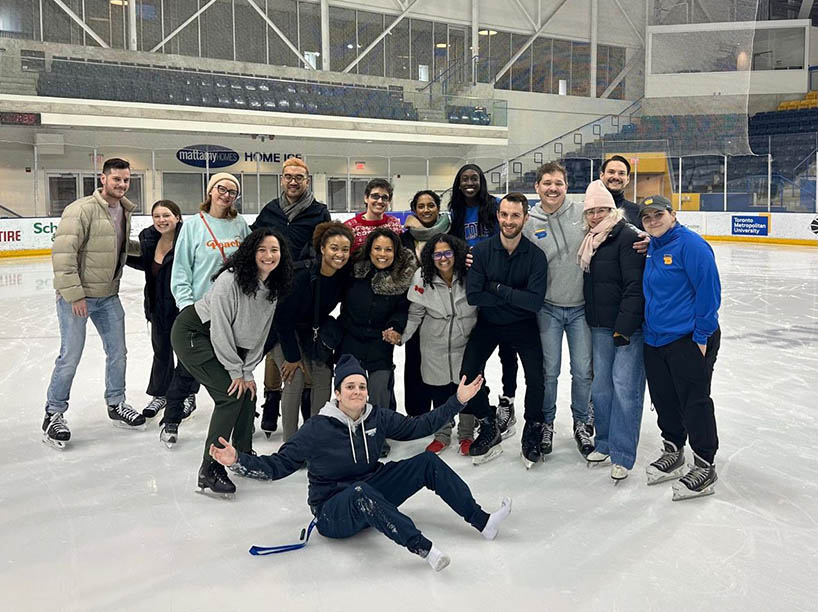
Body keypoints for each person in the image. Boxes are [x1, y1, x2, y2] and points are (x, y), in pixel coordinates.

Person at [208, 354, 512, 572]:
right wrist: (238, 461)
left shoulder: (377, 416)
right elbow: (278, 465)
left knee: (426, 463)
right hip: (332, 510)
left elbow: (420, 426)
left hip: (371, 488)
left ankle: (483, 522)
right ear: (337, 393)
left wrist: (457, 401)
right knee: (359, 493)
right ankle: (423, 548)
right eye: (350, 387)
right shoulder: (317, 428)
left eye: (361, 387)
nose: (357, 392)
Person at [171, 228, 293, 497]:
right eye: (261, 249)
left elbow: (260, 334)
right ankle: (210, 468)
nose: (269, 255)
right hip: (194, 333)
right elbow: (221, 330)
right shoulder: (230, 281)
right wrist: (236, 371)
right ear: (250, 252)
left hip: (226, 342)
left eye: (274, 250)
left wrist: (247, 371)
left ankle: (242, 456)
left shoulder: (272, 286)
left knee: (247, 392)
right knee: (230, 395)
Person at [43, 157, 143, 449]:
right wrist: (74, 294)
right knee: (70, 356)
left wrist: (155, 245)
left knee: (118, 353)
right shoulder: (81, 209)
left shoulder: (124, 210)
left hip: (108, 295)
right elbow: (63, 255)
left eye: (126, 180)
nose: (122, 185)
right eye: (117, 179)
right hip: (78, 298)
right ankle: (53, 413)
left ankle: (116, 403)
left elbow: (116, 245)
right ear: (103, 179)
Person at [639, 196, 721, 501]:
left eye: (658, 214)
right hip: (655, 338)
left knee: (694, 402)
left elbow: (709, 293)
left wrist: (701, 336)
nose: (652, 221)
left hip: (688, 338)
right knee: (664, 399)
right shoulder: (651, 247)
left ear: (673, 215)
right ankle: (673, 450)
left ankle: (705, 463)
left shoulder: (692, 246)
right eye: (647, 218)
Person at [462, 193, 548, 467]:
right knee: (469, 371)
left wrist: (497, 288)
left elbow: (534, 301)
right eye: (504, 214)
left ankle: (533, 426)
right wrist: (514, 297)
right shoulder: (481, 252)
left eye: (515, 215)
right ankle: (488, 422)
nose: (509, 221)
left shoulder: (536, 256)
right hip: (489, 323)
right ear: (498, 216)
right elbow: (474, 295)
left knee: (536, 376)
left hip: (523, 324)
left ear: (525, 217)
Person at [251, 157, 331, 436]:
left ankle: (307, 401)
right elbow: (255, 244)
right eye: (289, 176)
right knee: (274, 344)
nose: (293, 181)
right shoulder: (270, 210)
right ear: (282, 179)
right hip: (271, 287)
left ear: (307, 180)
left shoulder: (318, 211)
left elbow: (325, 245)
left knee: (301, 344)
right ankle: (272, 398)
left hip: (304, 287)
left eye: (299, 177)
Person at [523, 161, 595, 460]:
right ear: (537, 187)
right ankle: (547, 422)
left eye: (559, 183)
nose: (553, 188)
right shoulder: (529, 221)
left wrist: (642, 238)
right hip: (548, 309)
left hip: (581, 308)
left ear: (567, 186)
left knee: (582, 371)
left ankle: (581, 422)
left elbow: (614, 224)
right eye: (547, 183)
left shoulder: (582, 213)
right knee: (548, 372)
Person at [577, 181, 646, 482]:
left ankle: (622, 453)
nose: (595, 215)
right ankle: (603, 443)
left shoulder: (627, 236)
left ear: (612, 209)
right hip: (600, 325)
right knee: (601, 387)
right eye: (590, 211)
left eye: (601, 209)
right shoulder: (592, 239)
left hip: (626, 328)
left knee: (625, 389)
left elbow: (635, 287)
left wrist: (624, 327)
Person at [171, 171, 250, 420]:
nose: (226, 195)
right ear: (210, 191)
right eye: (221, 189)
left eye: (232, 192)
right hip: (201, 311)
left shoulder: (240, 225)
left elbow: (250, 264)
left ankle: (235, 414)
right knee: (186, 370)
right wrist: (186, 306)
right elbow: (181, 268)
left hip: (232, 312)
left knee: (231, 369)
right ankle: (171, 418)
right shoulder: (194, 225)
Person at [447, 164, 518, 428]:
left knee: (507, 350)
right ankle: (480, 401)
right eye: (464, 178)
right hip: (471, 288)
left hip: (499, 285)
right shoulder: (456, 211)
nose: (469, 183)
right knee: (475, 351)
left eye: (474, 178)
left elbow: (509, 237)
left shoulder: (495, 205)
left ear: (481, 181)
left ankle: (508, 400)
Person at [270, 222, 354, 442]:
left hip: (312, 330)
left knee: (323, 376)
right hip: (283, 332)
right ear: (322, 249)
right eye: (334, 248)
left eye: (345, 249)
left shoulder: (343, 276)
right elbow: (281, 318)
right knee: (294, 378)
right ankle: (291, 443)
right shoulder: (301, 275)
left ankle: (316, 438)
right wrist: (292, 357)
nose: (340, 254)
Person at [126, 200, 199, 447]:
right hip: (157, 306)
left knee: (186, 355)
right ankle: (160, 394)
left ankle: (188, 395)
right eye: (157, 216)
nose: (161, 220)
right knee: (161, 352)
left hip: (181, 305)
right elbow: (144, 263)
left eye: (166, 215)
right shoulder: (148, 238)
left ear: (177, 217)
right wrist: (120, 253)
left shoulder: (187, 239)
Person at [398, 234, 477, 456]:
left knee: (466, 388)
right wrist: (401, 337)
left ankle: (466, 434)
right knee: (440, 390)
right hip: (434, 344)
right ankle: (442, 433)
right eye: (438, 254)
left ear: (457, 253)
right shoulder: (421, 277)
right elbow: (415, 314)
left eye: (448, 252)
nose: (443, 258)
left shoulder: (470, 274)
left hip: (465, 342)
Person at [339, 228, 416, 457]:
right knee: (351, 387)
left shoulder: (400, 279)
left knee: (379, 386)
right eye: (377, 248)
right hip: (350, 338)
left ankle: (377, 433)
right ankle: (350, 430)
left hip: (379, 343)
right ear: (369, 249)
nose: (382, 254)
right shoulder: (354, 272)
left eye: (388, 249)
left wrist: (395, 327)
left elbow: (403, 309)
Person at [399, 190, 451, 419]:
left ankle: (445, 413)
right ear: (414, 210)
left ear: (438, 207)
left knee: (445, 361)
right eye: (421, 206)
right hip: (416, 309)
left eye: (431, 205)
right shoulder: (405, 238)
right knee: (415, 362)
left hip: (445, 310)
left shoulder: (450, 234)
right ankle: (417, 414)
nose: (426, 209)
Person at [344, 178, 403, 252]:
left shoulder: (394, 224)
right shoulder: (350, 228)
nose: (380, 201)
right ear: (366, 198)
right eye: (375, 196)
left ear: (389, 202)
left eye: (385, 198)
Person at [599, 155, 643, 230]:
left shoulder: (638, 212)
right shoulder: (587, 209)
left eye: (621, 173)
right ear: (601, 175)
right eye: (611, 172)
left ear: (628, 179)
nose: (616, 177)